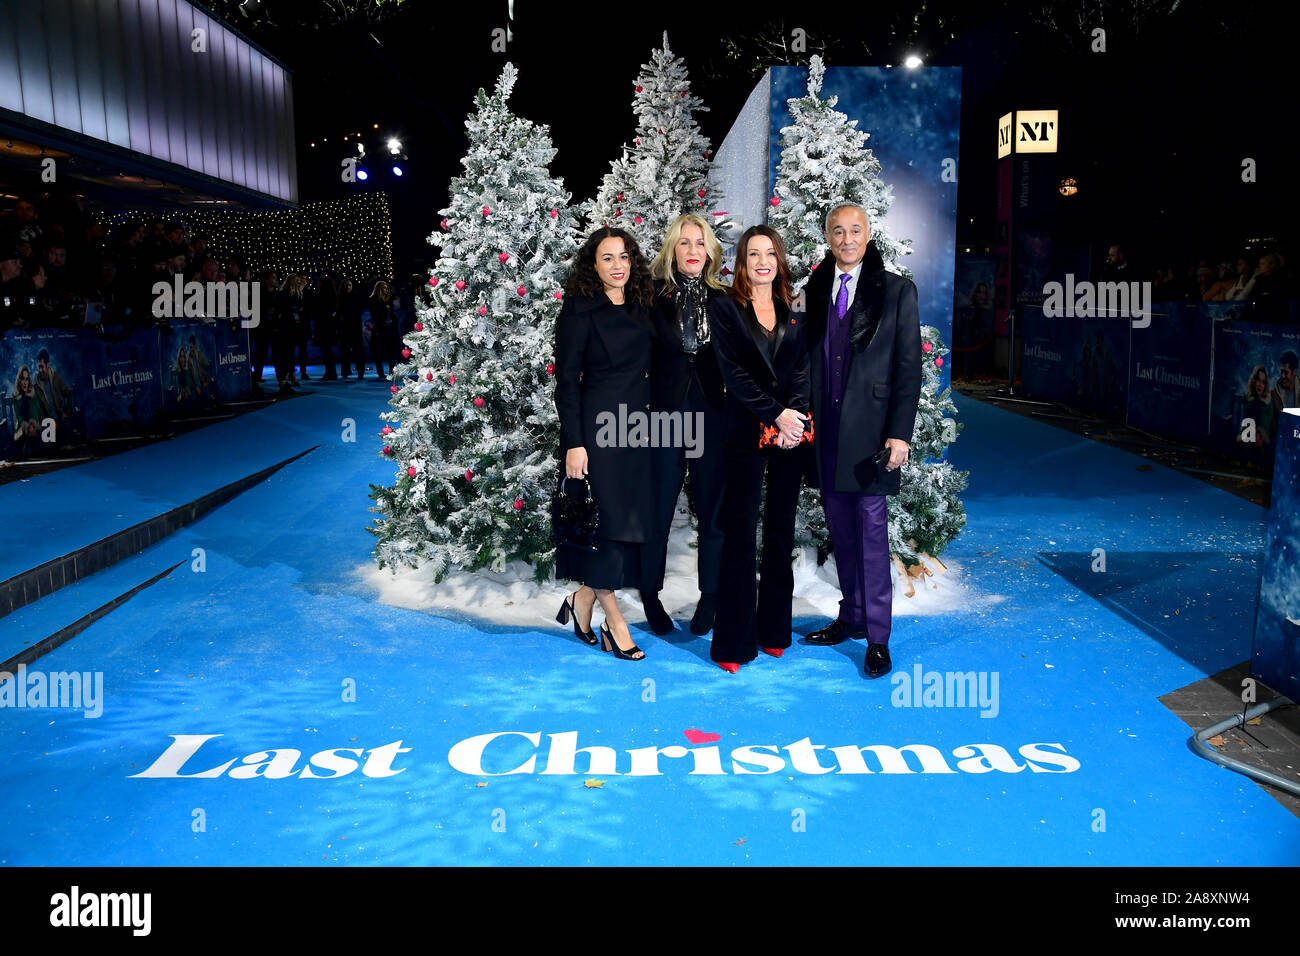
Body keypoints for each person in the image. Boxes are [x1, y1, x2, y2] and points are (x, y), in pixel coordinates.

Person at [799, 202, 921, 680]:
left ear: (869, 235)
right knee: (841, 533)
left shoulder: (896, 291)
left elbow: (909, 368)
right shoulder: (814, 291)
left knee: (870, 538)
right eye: (837, 231)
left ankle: (877, 637)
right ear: (827, 237)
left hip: (872, 437)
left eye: (855, 230)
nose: (847, 239)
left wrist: (899, 432)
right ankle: (850, 616)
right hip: (825, 434)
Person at [707, 225, 811, 672]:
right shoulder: (727, 309)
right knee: (740, 534)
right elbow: (735, 376)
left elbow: (804, 369)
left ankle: (774, 630)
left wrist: (797, 417)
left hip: (791, 435)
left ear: (779, 260)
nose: (763, 261)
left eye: (770, 253)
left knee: (780, 532)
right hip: (747, 431)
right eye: (754, 254)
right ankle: (733, 643)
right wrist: (776, 414)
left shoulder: (795, 310)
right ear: (742, 263)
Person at [553, 227, 658, 661]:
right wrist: (575, 443)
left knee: (623, 526)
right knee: (604, 528)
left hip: (639, 432)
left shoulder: (641, 307)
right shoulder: (580, 311)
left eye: (624, 257)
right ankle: (616, 624)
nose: (617, 265)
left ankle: (582, 600)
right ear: (592, 266)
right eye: (607, 258)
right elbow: (566, 383)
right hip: (598, 433)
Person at [639, 214, 729, 636]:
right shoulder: (651, 296)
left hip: (712, 412)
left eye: (700, 243)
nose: (693, 251)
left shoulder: (727, 298)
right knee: (657, 507)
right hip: (664, 414)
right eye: (684, 243)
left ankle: (710, 596)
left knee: (712, 512)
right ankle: (650, 595)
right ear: (672, 250)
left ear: (710, 251)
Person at [367, 280, 397, 379]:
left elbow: (392, 313)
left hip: (390, 327)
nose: (386, 289)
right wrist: (385, 309)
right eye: (384, 287)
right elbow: (375, 314)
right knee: (378, 351)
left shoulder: (389, 299)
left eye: (386, 287)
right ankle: (380, 372)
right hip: (380, 328)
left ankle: (392, 371)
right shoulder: (373, 300)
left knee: (391, 350)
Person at [338, 277, 365, 378]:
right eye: (346, 285)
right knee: (345, 351)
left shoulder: (355, 297)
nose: (348, 287)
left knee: (357, 350)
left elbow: (358, 311)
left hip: (354, 327)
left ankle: (360, 372)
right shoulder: (340, 297)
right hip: (344, 327)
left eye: (349, 285)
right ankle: (345, 371)